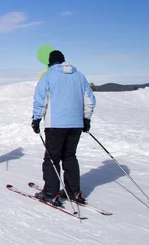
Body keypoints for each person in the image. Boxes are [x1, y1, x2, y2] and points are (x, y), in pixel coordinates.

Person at [31, 50, 96, 206]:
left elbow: (41, 99)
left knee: (52, 159)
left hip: (55, 124)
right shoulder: (79, 76)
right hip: (76, 124)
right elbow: (90, 100)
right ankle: (73, 191)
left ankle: (50, 193)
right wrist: (86, 119)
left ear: (50, 62)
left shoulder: (48, 76)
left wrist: (36, 118)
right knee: (69, 156)